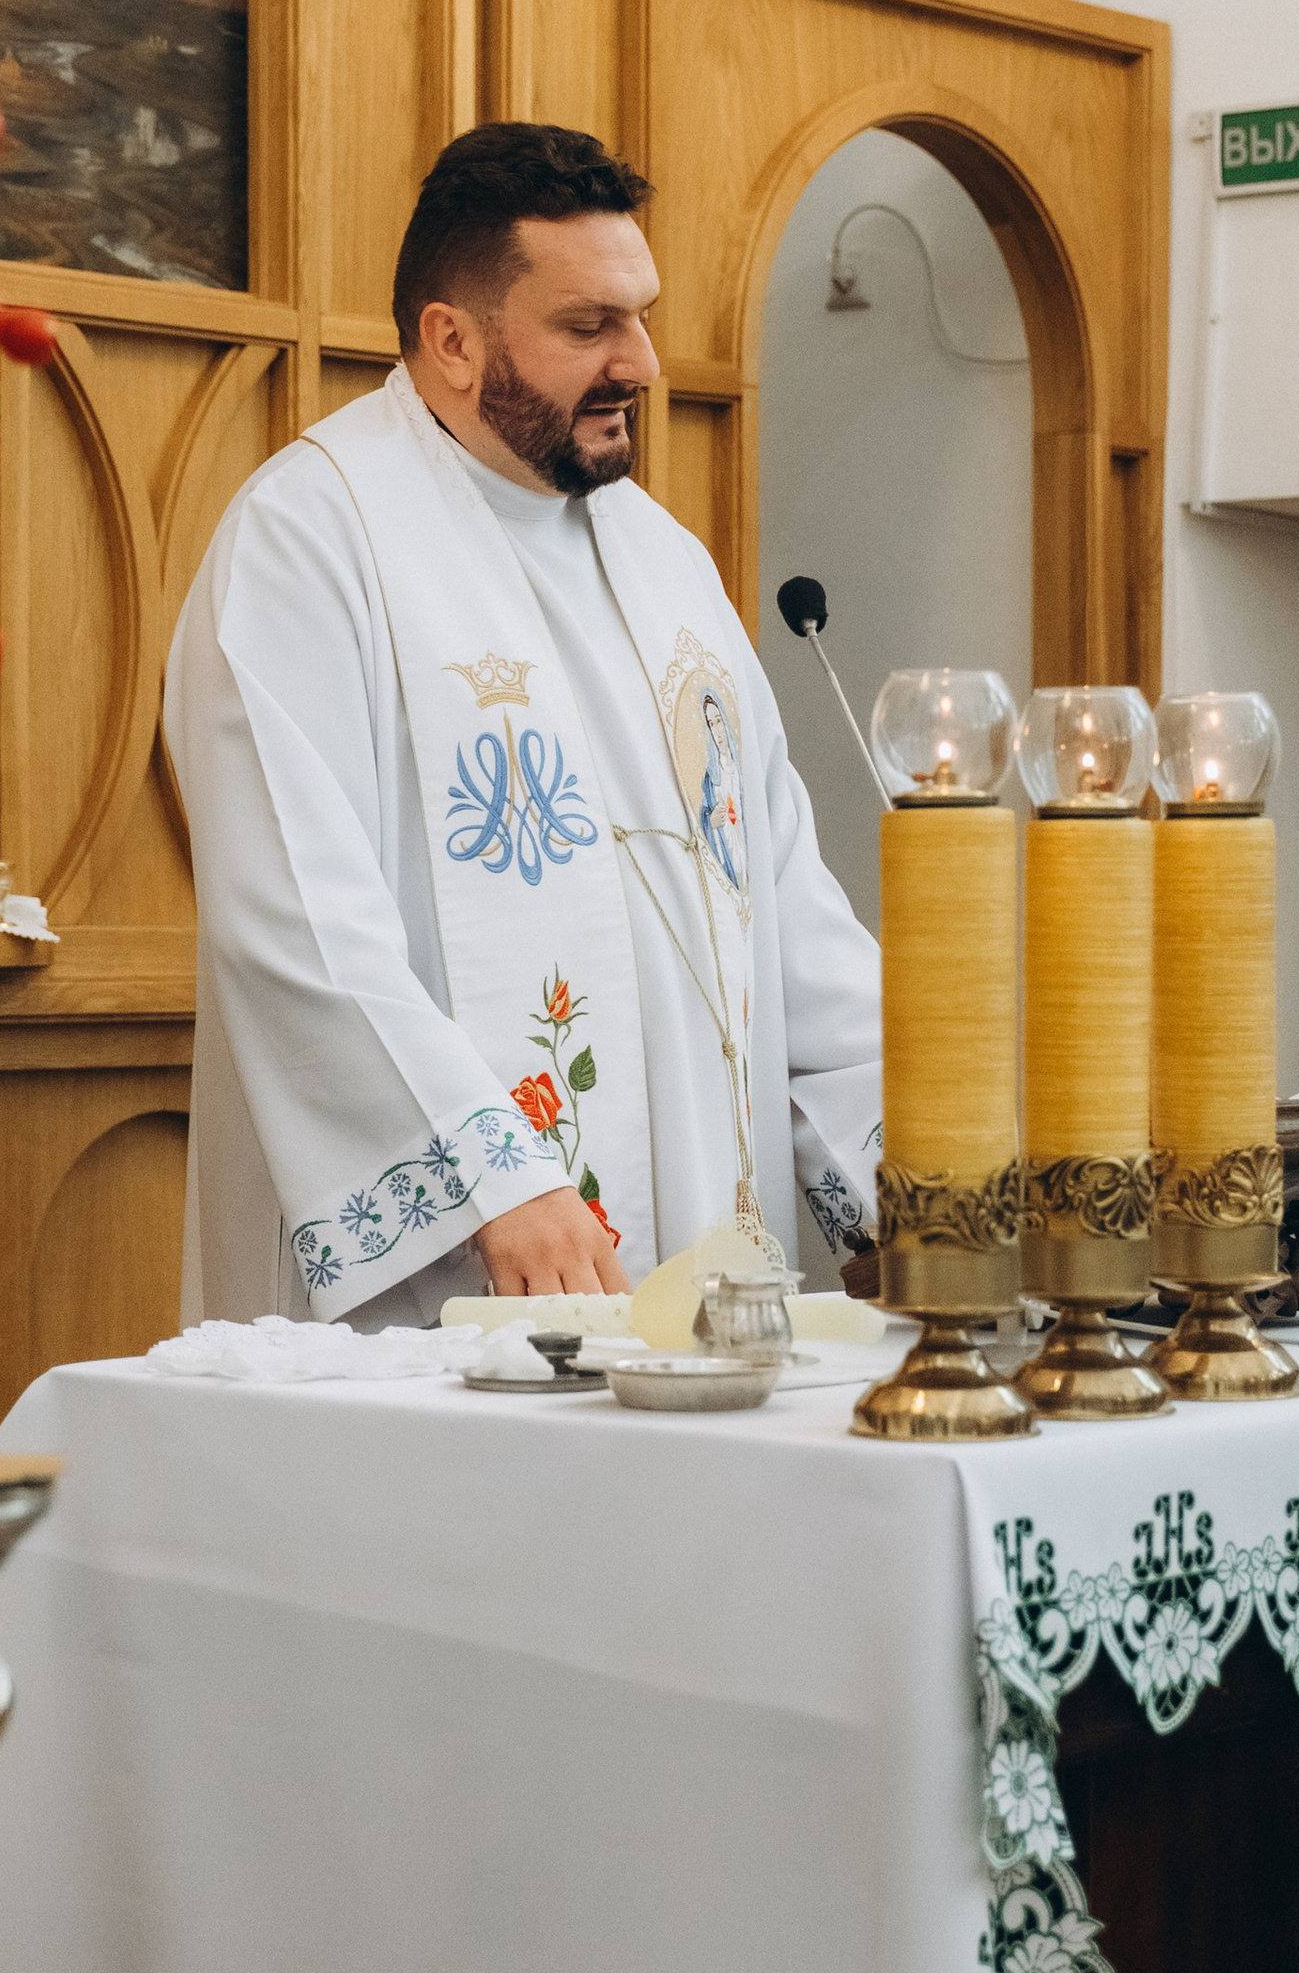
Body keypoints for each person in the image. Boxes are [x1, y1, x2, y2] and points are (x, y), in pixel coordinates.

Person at [163, 122, 884, 1327]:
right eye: (588, 327)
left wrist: (905, 1172)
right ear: (451, 340)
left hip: (704, 1274)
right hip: (464, 1280)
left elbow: (782, 902)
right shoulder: (310, 540)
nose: (642, 362)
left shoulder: (668, 565)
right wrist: (493, 1176)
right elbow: (293, 921)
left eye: (642, 317)